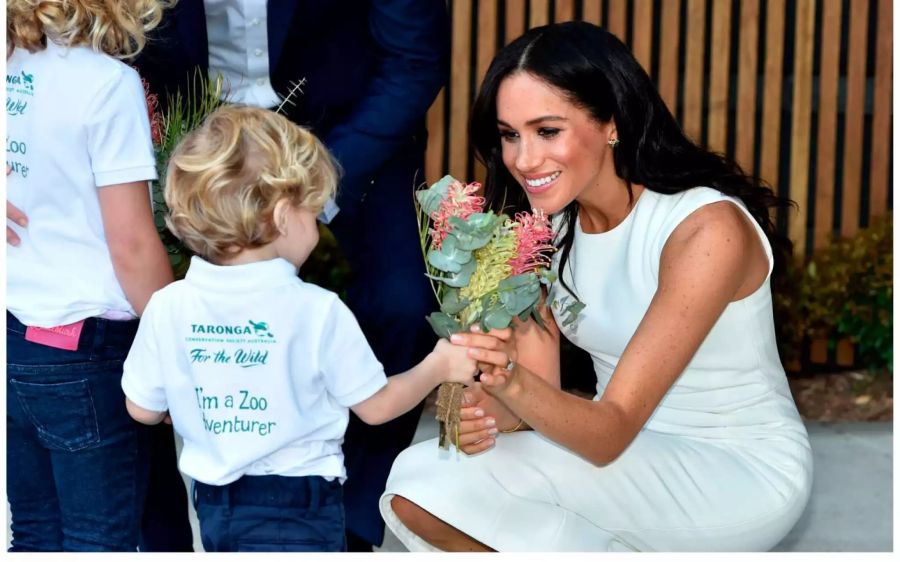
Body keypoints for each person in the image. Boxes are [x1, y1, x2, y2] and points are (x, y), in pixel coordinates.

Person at [379, 21, 813, 552]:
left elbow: (609, 430)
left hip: (738, 473)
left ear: (611, 123)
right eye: (509, 134)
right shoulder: (544, 231)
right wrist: (483, 416)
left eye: (547, 131)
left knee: (435, 483)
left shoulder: (704, 227)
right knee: (420, 481)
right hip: (618, 456)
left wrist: (508, 379)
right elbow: (531, 401)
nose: (523, 159)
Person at [132, 2, 450, 550]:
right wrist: (441, 365)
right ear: (286, 216)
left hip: (346, 130)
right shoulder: (321, 313)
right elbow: (375, 404)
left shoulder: (167, 308)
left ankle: (359, 516)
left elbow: (142, 408)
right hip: (203, 142)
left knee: (402, 300)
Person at [6, 0, 174, 551]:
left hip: (15, 339)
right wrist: (178, 341)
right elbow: (129, 244)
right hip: (88, 350)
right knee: (101, 540)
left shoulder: (9, 65)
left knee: (34, 532)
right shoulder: (107, 84)